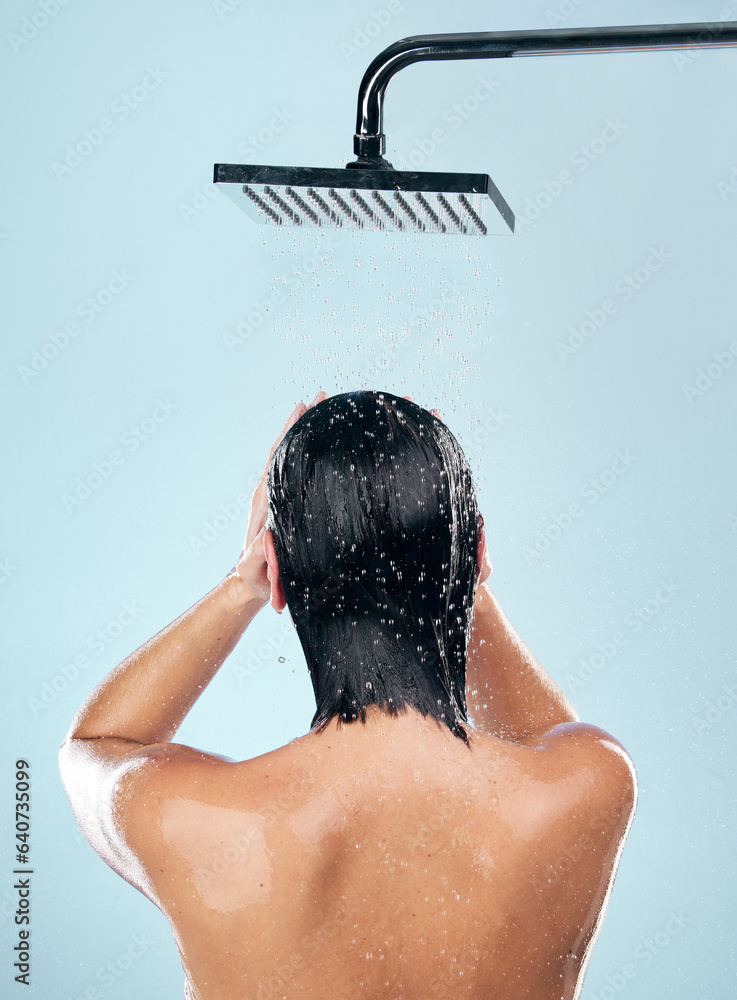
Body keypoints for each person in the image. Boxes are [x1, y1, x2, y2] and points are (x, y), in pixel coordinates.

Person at [59, 389, 637, 1000]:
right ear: (477, 554)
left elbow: (94, 745)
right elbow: (545, 739)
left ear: (277, 571)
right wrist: (452, 562)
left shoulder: (203, 822)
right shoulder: (590, 787)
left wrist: (241, 584)